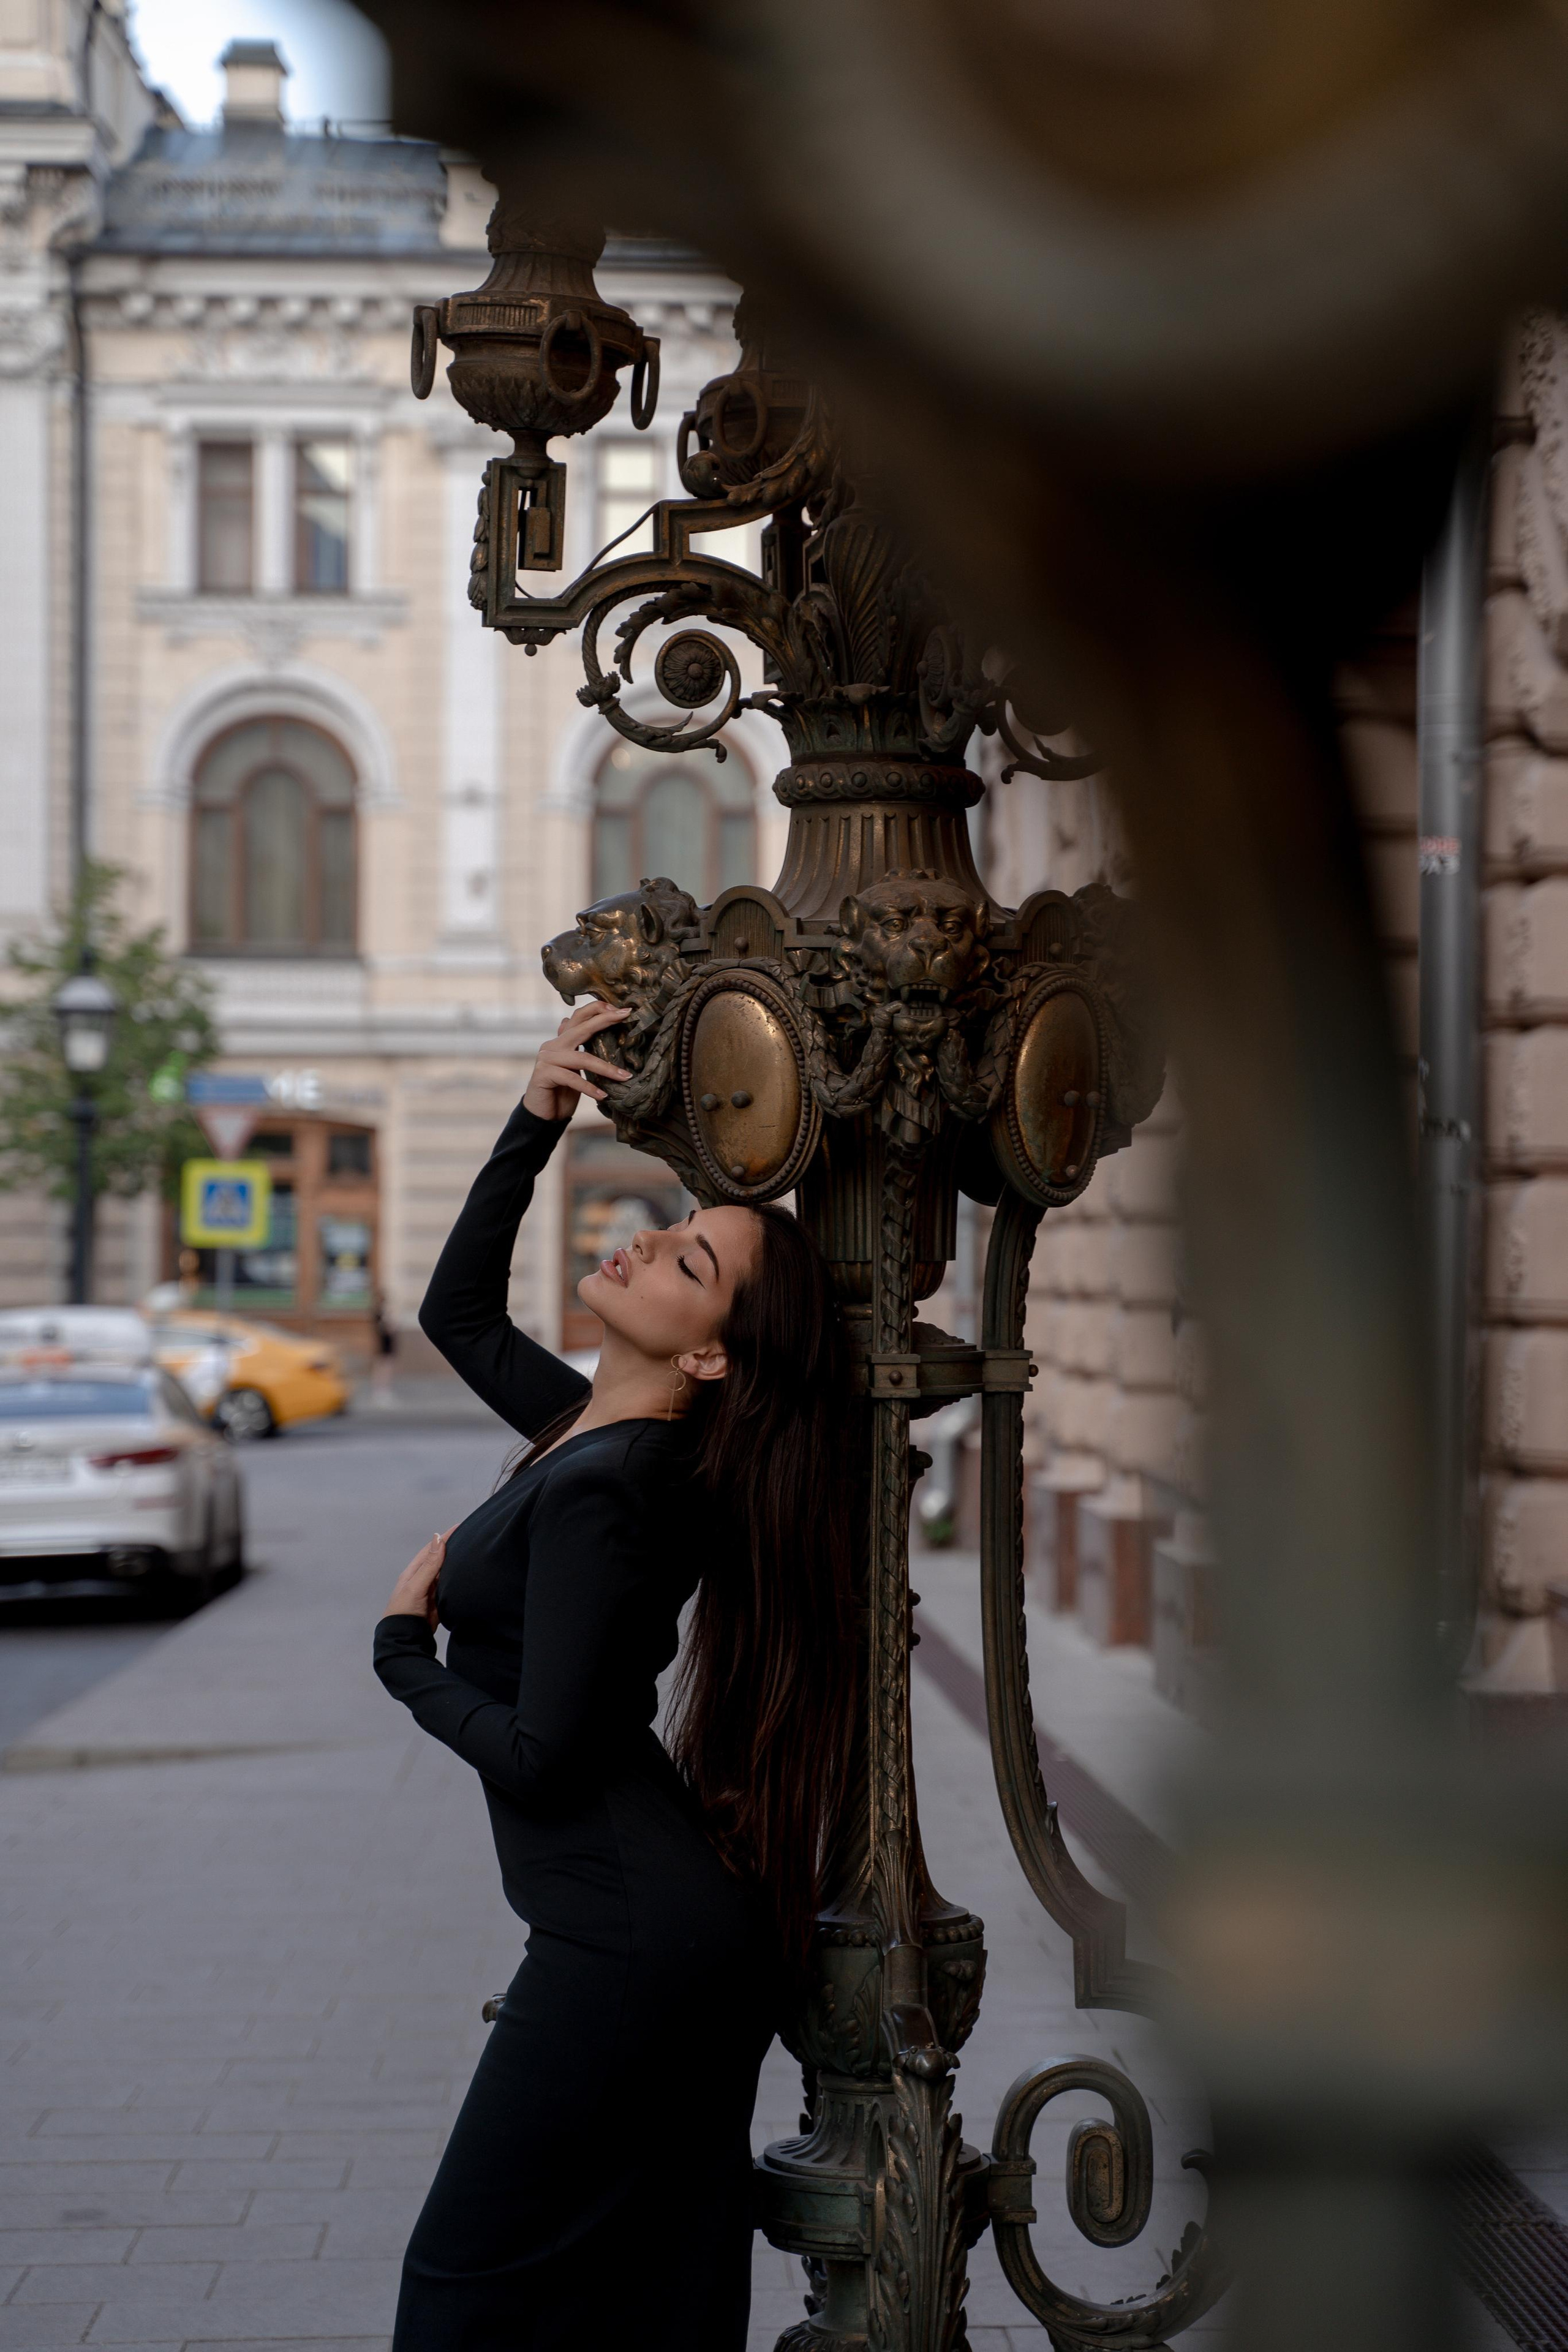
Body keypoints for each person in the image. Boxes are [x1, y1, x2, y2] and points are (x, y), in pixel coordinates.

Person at [372, 998, 856, 2351]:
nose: (643, 1239)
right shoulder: (596, 1438)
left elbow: (546, 1752)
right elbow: (453, 1310)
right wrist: (537, 1117)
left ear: (708, 1354)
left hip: (625, 1948)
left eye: (686, 1260)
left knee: (463, 2286)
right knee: (647, 2281)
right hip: (648, 1935)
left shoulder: (616, 1485)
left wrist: (401, 1655)